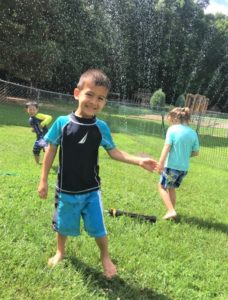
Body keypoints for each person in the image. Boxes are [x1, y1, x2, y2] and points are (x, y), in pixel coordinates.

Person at [38, 69, 158, 279]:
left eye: (100, 98)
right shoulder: (62, 123)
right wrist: (43, 181)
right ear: (77, 93)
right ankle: (60, 252)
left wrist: (139, 161)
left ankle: (105, 256)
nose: (94, 102)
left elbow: (114, 152)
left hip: (92, 191)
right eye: (89, 94)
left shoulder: (100, 127)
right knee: (63, 226)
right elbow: (50, 151)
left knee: (99, 229)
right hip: (65, 189)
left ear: (105, 102)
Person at [157, 107, 200, 220]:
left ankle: (171, 211)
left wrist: (160, 163)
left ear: (176, 118)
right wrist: (185, 155)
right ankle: (172, 213)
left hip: (171, 166)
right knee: (171, 188)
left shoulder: (172, 130)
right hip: (183, 169)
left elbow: (166, 147)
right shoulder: (193, 133)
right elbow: (196, 152)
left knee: (161, 187)